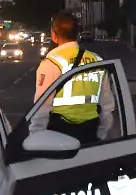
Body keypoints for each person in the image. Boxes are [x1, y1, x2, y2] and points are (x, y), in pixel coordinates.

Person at [29, 12, 116, 144]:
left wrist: (35, 137)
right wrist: (101, 133)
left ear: (53, 35)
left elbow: (42, 107)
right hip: (90, 132)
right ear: (77, 34)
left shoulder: (52, 63)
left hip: (59, 134)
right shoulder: (96, 60)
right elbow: (107, 104)